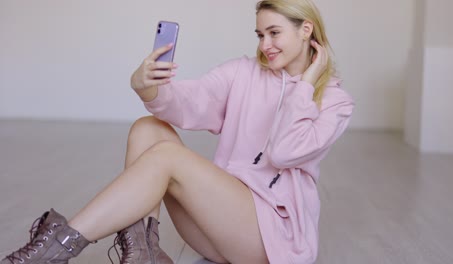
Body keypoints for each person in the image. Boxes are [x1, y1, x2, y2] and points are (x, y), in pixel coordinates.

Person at [1, 0, 354, 263]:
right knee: (148, 128)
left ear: (306, 30)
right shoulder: (244, 73)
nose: (265, 45)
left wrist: (305, 87)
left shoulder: (336, 102)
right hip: (218, 225)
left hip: (271, 241)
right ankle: (145, 254)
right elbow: (189, 102)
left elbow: (284, 152)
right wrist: (148, 87)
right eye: (261, 34)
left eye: (275, 33)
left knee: (168, 158)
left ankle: (52, 250)